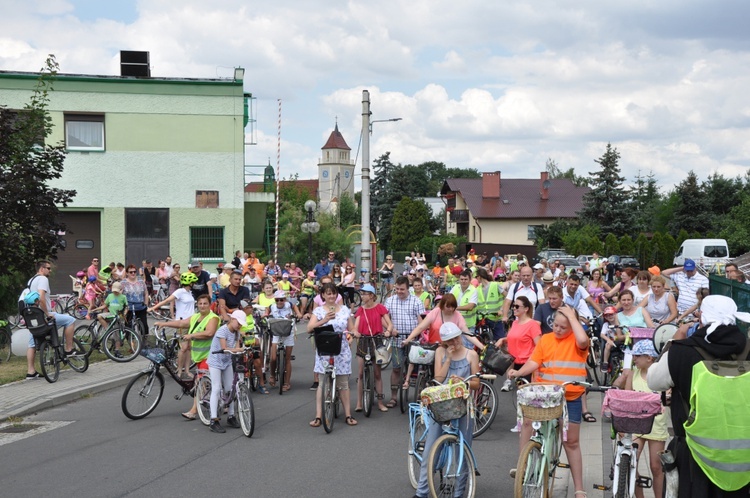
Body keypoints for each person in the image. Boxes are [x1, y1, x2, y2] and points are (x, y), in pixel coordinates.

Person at [647, 295, 750, 498]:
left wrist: (673, 343)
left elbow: (654, 380)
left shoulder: (682, 351)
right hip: (743, 454)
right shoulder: (748, 348)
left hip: (694, 455)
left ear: (702, 317)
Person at [507, 305, 589, 497]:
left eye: (563, 327)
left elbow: (584, 340)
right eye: (556, 325)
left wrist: (572, 316)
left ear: (572, 326)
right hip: (546, 394)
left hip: (570, 396)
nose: (558, 330)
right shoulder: (545, 339)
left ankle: (579, 488)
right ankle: (523, 466)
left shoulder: (577, 341)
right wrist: (518, 372)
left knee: (571, 442)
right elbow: (535, 361)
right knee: (528, 422)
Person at [413, 322, 480, 498]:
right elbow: (438, 378)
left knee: (462, 450)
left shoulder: (471, 354)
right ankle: (422, 492)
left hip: (463, 405)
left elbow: (476, 383)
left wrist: (463, 381)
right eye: (449, 340)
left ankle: (459, 493)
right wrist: (448, 359)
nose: (454, 342)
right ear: (444, 342)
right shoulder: (441, 352)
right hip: (441, 404)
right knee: (430, 448)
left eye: (456, 338)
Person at [155, 294, 223, 417]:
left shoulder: (213, 318)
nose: (202, 306)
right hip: (198, 356)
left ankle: (194, 410)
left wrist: (192, 336)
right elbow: (181, 323)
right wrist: (163, 324)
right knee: (208, 382)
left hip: (210, 355)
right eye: (200, 303)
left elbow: (209, 332)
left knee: (199, 382)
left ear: (210, 305)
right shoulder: (196, 317)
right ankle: (219, 401)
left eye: (205, 303)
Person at [307, 282, 357, 427]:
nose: (331, 296)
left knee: (343, 383)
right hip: (325, 348)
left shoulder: (344, 310)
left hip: (341, 348)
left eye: (334, 293)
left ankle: (348, 414)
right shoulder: (318, 311)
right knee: (322, 382)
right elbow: (310, 328)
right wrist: (324, 320)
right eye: (328, 293)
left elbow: (352, 328)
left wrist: (352, 335)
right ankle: (318, 416)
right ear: (323, 295)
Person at [622, 340, 667, 498]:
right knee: (629, 462)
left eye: (637, 356)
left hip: (656, 425)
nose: (634, 359)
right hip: (637, 424)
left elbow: (669, 395)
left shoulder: (662, 375)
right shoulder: (633, 373)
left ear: (649, 358)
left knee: (656, 467)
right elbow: (626, 397)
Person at [24, 260, 79, 379]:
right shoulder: (43, 279)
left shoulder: (31, 280)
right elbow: (41, 297)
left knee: (32, 343)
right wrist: (47, 313)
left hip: (34, 315)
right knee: (70, 320)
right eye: (48, 268)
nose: (50, 270)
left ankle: (31, 372)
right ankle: (69, 348)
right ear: (42, 269)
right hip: (43, 314)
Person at [385, 276, 426, 407]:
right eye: (397, 289)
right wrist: (391, 329)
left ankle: (420, 394)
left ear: (408, 288)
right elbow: (385, 319)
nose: (399, 291)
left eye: (402, 289)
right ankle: (393, 397)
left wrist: (417, 335)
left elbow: (422, 322)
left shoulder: (416, 301)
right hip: (397, 340)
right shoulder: (390, 301)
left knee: (417, 369)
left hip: (413, 340)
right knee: (396, 368)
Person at [352, 284, 393, 412]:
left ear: (371, 295)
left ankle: (380, 402)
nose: (362, 296)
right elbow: (356, 326)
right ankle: (359, 402)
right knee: (360, 373)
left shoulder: (380, 308)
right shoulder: (360, 310)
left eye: (364, 294)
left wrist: (388, 331)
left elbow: (389, 324)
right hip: (363, 340)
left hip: (376, 340)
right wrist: (355, 332)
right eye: (362, 293)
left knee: (377, 373)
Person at [148, 272, 198, 378]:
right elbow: (167, 300)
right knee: (183, 347)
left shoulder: (189, 293)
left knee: (189, 348)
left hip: (191, 323)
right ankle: (179, 370)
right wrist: (153, 308)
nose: (194, 283)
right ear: (189, 282)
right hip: (182, 323)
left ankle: (187, 370)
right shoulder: (180, 292)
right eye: (193, 282)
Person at [206, 310, 246, 433]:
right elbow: (224, 348)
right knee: (217, 388)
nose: (239, 325)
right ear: (232, 319)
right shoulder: (222, 330)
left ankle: (231, 415)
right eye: (238, 323)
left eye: (241, 324)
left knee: (230, 388)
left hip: (227, 361)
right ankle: (214, 420)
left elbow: (237, 346)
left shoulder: (236, 332)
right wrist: (237, 349)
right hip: (215, 361)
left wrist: (242, 349)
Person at [495, 296, 541, 395]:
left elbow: (540, 346)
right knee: (520, 396)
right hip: (514, 364)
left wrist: (533, 361)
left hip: (527, 365)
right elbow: (514, 337)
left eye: (517, 306)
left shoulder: (533, 325)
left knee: (527, 396)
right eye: (513, 306)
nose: (514, 308)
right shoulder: (515, 323)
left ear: (526, 309)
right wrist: (502, 339)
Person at [268, 290, 296, 391]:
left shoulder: (289, 304)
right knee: (273, 357)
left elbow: (297, 311)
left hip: (288, 331)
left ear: (285, 299)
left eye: (281, 300)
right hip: (276, 331)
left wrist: (299, 314)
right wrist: (265, 316)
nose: (279, 302)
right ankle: (272, 375)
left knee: (287, 359)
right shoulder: (272, 306)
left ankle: (287, 383)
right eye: (277, 300)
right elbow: (267, 313)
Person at [475, 267, 506, 340]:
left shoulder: (495, 285)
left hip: (495, 318)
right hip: (483, 319)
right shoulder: (477, 289)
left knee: (500, 339)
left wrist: (501, 309)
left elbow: (507, 297)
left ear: (479, 277)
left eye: (476, 277)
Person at [121, 264, 149, 335]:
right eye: (131, 272)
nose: (133, 273)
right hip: (129, 307)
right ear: (127, 273)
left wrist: (146, 304)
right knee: (129, 327)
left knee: (144, 326)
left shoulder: (141, 281)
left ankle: (144, 342)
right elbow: (120, 295)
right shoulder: (123, 283)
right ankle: (131, 343)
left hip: (141, 306)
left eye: (134, 271)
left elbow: (146, 293)